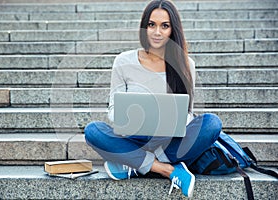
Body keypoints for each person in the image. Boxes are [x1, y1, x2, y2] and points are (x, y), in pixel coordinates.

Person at [84, 0, 222, 198]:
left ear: (172, 30)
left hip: (168, 143)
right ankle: (167, 169)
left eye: (164, 26)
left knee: (212, 124)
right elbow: (113, 108)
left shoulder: (185, 64)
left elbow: (188, 113)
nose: (157, 32)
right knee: (93, 131)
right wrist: (127, 119)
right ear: (144, 27)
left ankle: (136, 164)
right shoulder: (124, 61)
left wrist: (175, 121)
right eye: (151, 25)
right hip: (133, 138)